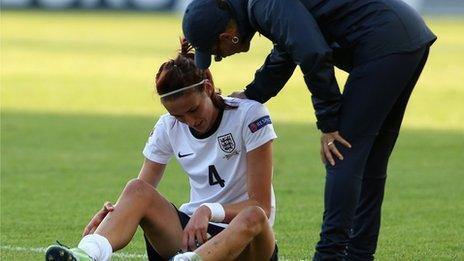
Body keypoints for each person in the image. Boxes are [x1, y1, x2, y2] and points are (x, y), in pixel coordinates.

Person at [182, 0, 437, 260]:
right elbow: (290, 45)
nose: (220, 56)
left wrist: (329, 122)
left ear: (229, 36)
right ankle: (359, 255)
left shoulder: (262, 5)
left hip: (384, 42)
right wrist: (253, 93)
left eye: (217, 51)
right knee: (370, 161)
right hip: (402, 36)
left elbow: (312, 51)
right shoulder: (259, 6)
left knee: (341, 154)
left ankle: (329, 255)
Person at [45, 41, 279, 261]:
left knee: (254, 215)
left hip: (249, 244)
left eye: (193, 109)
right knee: (135, 189)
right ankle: (89, 253)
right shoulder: (167, 126)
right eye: (178, 115)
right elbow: (140, 192)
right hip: (192, 236)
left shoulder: (249, 115)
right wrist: (111, 217)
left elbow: (261, 205)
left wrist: (209, 210)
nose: (189, 121)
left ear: (207, 88)